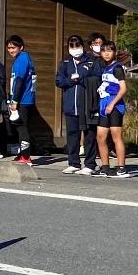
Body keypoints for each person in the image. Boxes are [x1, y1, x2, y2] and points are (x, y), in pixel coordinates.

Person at [54, 35, 92, 173]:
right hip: (70, 105)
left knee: (88, 135)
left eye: (77, 46)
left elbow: (95, 79)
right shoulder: (65, 63)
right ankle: (74, 163)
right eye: (72, 46)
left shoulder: (90, 61)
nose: (75, 49)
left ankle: (90, 164)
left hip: (86, 104)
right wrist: (71, 80)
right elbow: (59, 81)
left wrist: (80, 79)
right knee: (72, 135)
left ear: (82, 46)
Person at [93, 40, 128, 177]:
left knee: (116, 136)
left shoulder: (117, 68)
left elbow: (123, 88)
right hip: (103, 104)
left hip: (115, 105)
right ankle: (105, 166)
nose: (106, 54)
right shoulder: (104, 67)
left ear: (114, 52)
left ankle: (121, 167)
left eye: (109, 51)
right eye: (104, 51)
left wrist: (112, 103)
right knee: (101, 137)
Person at [2, 35, 36, 164]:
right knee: (18, 127)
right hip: (22, 99)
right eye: (9, 48)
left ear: (21, 47)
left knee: (22, 128)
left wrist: (14, 101)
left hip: (23, 100)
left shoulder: (22, 59)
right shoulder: (20, 59)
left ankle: (26, 156)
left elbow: (20, 81)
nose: (11, 50)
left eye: (14, 47)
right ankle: (22, 153)